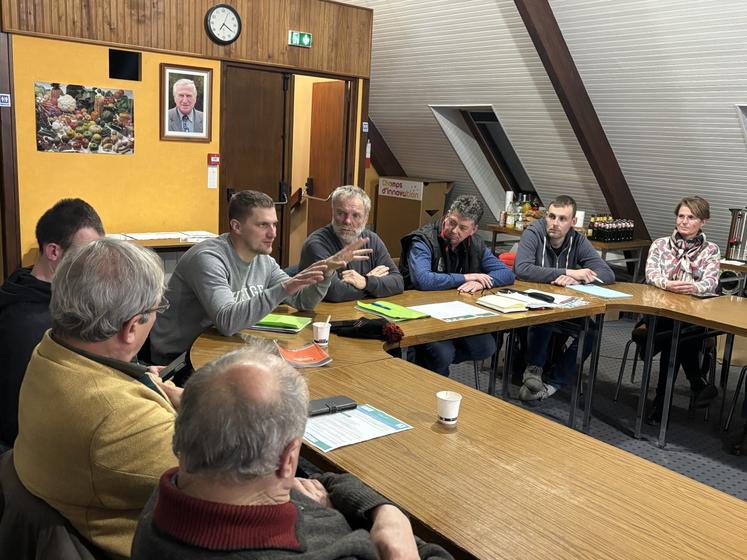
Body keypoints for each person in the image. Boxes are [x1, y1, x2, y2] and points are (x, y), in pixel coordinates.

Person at [131, 346, 452, 560]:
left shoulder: (165, 498)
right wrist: (391, 516)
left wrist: (367, 508)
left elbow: (319, 479)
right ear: (289, 460)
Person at [13, 238, 182, 559]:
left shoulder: (48, 349)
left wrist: (145, 378)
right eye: (157, 309)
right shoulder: (122, 418)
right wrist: (197, 405)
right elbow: (224, 477)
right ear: (132, 327)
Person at [150, 190, 370, 364]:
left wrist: (327, 272)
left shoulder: (262, 259)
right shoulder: (208, 258)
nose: (273, 233)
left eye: (274, 224)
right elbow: (227, 322)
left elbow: (303, 302)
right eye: (263, 225)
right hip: (179, 358)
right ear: (236, 226)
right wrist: (285, 287)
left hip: (222, 346)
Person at [0, 198, 104, 450]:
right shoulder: (30, 325)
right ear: (54, 252)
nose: (96, 265)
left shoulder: (25, 282)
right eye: (87, 254)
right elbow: (20, 419)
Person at [514, 195, 614, 401]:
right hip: (531, 300)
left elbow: (607, 273)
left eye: (562, 219)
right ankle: (534, 369)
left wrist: (578, 281)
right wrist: (568, 271)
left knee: (591, 331)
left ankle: (552, 383)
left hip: (564, 304)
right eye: (551, 217)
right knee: (545, 314)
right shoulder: (533, 232)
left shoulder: (578, 240)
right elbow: (522, 268)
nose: (555, 223)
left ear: (573, 222)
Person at [400, 195, 515, 376]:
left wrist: (479, 282)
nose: (454, 230)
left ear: (473, 229)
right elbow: (423, 280)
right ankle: (428, 372)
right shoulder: (422, 240)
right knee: (442, 355)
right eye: (451, 222)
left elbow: (507, 273)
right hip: (420, 315)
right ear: (446, 217)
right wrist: (465, 277)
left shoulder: (475, 244)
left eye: (463, 227)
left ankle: (428, 364)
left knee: (486, 347)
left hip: (456, 315)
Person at [644, 196, 720, 424]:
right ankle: (697, 382)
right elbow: (651, 274)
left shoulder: (711, 250)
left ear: (703, 222)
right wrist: (666, 284)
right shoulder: (660, 244)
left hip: (693, 313)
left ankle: (660, 405)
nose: (684, 222)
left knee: (677, 337)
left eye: (691, 217)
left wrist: (692, 286)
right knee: (675, 333)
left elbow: (711, 282)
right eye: (681, 216)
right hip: (660, 311)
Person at [299, 185, 403, 302]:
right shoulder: (316, 244)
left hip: (361, 312)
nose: (347, 221)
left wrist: (365, 281)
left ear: (365, 218)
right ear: (332, 212)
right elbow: (335, 293)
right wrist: (373, 284)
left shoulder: (371, 240)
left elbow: (398, 282)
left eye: (355, 215)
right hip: (324, 316)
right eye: (341, 213)